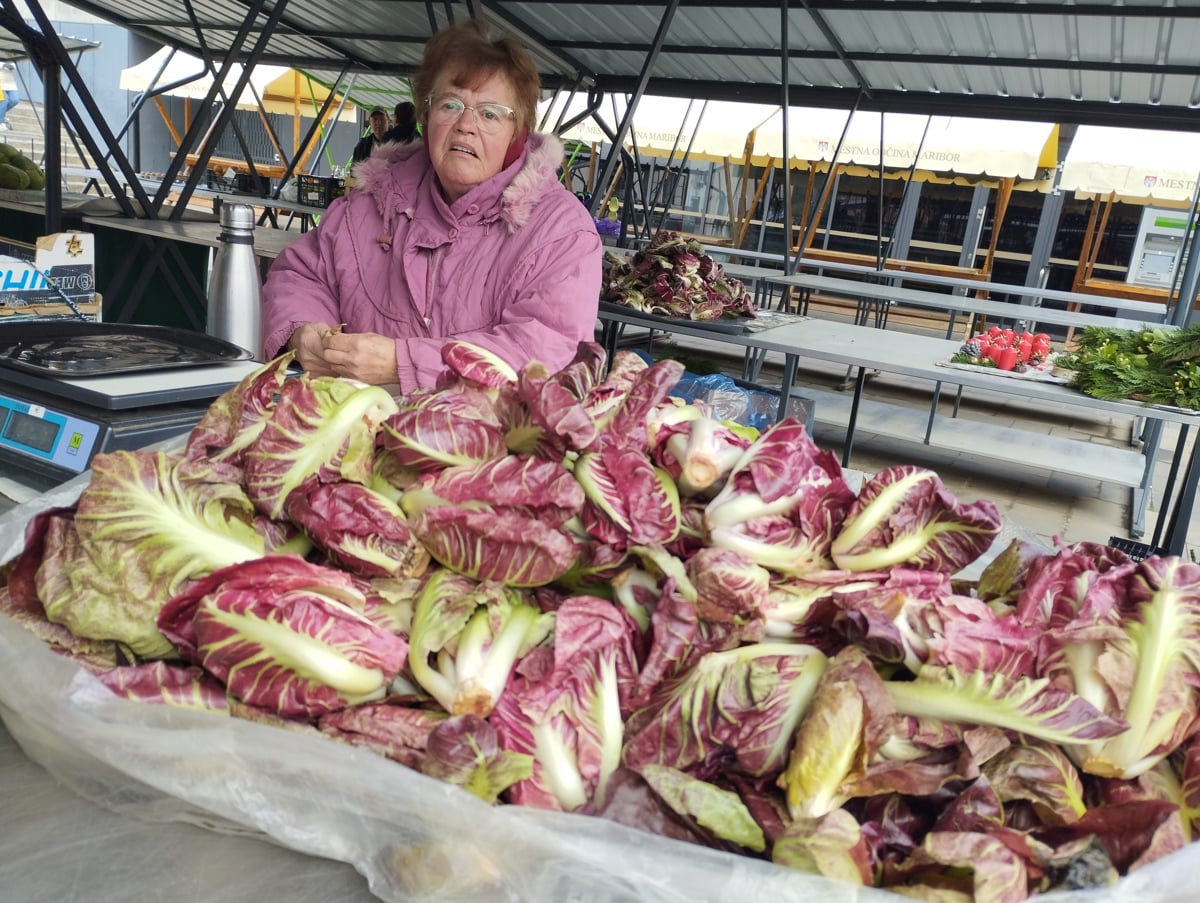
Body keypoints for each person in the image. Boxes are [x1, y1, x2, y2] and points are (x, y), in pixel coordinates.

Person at [261, 20, 602, 392]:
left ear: (517, 133)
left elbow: (547, 353)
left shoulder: (561, 231)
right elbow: (301, 275)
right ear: (426, 117)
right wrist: (302, 331)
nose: (465, 125)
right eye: (450, 105)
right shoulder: (368, 205)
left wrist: (403, 364)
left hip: (482, 444)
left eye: (489, 113)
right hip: (358, 432)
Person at [0, 62, 19, 131]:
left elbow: (14, 63)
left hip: (10, 83)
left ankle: (1, 116)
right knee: (4, 100)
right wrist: (3, 65)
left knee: (15, 100)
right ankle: (0, 122)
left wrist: (12, 66)